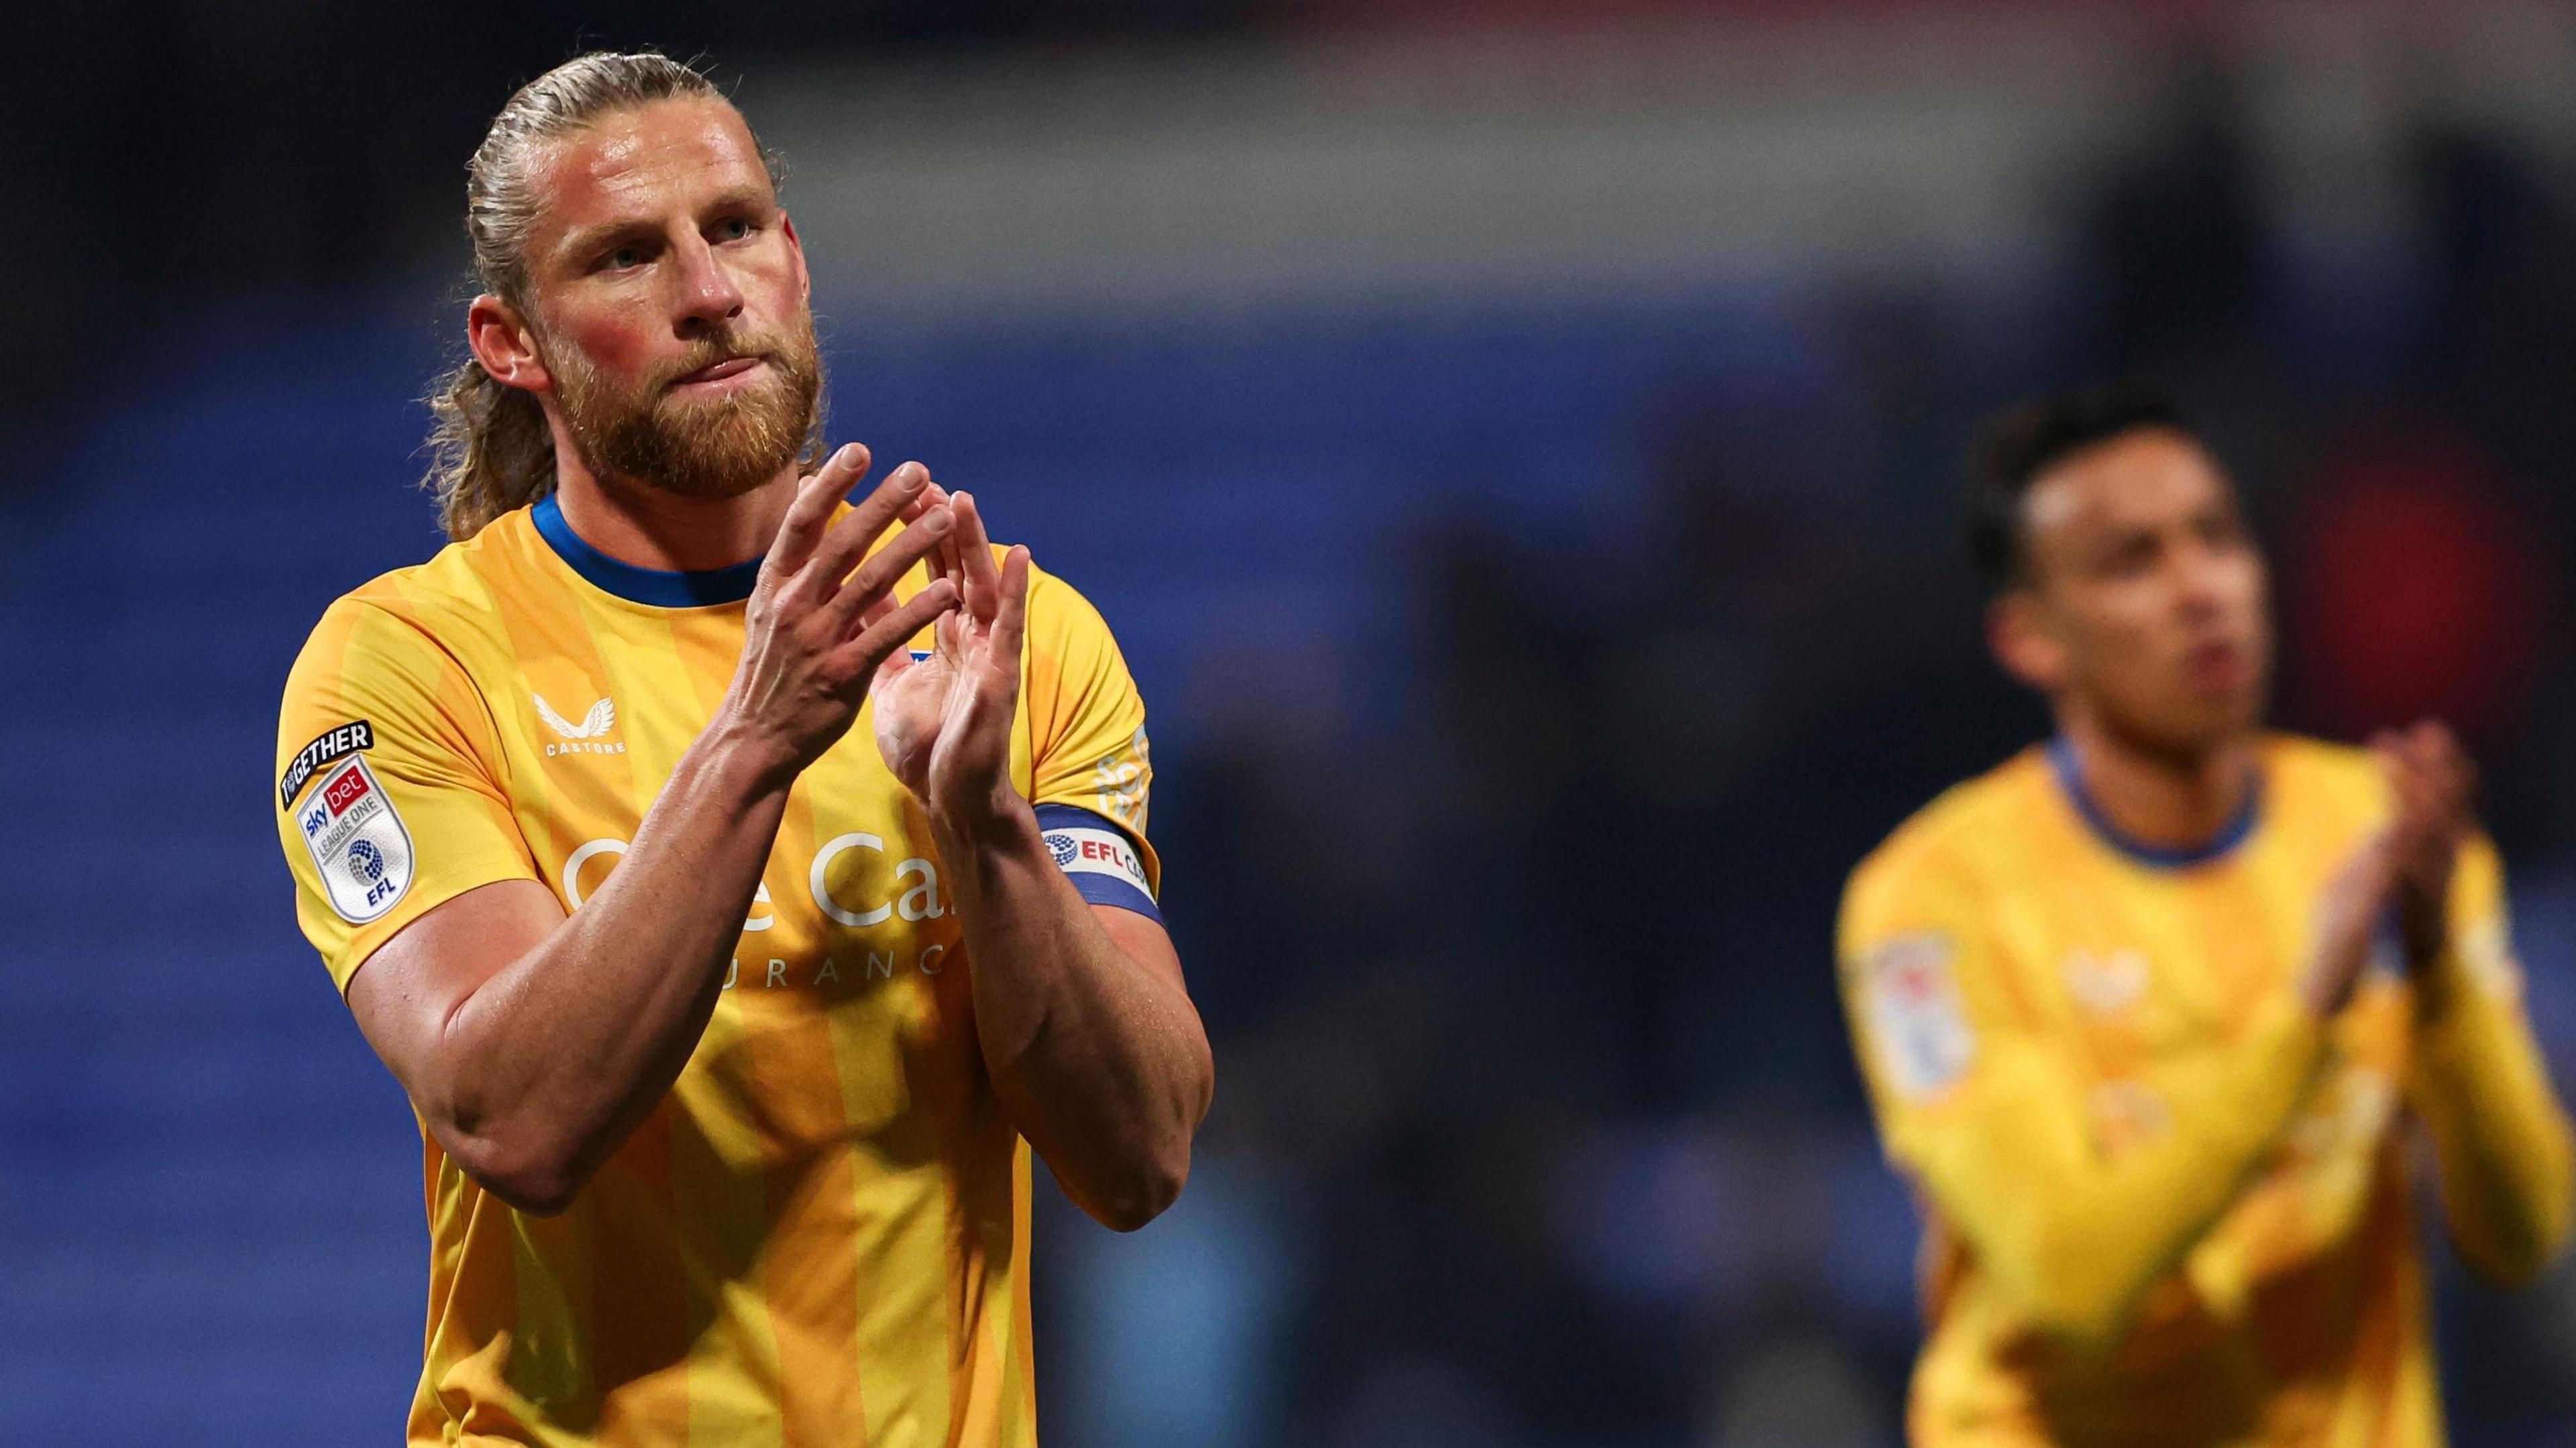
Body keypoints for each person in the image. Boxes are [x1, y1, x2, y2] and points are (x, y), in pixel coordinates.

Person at [270, 52, 1212, 1446]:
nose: (708, 293)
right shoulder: (409, 666)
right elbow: (516, 1124)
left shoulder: (1011, 639)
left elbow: (1139, 1158)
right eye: (626, 256)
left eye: (736, 227)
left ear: (795, 256)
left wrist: (985, 824)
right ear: (511, 342)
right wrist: (760, 738)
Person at [1836, 384, 2574, 1445]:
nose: (2201, 591)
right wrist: (2308, 1007)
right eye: (2133, 562)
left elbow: (2524, 1236)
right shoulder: (1931, 905)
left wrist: (2439, 977)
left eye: (2219, 540)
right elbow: (2068, 1277)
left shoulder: (2387, 831)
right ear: (2032, 640)